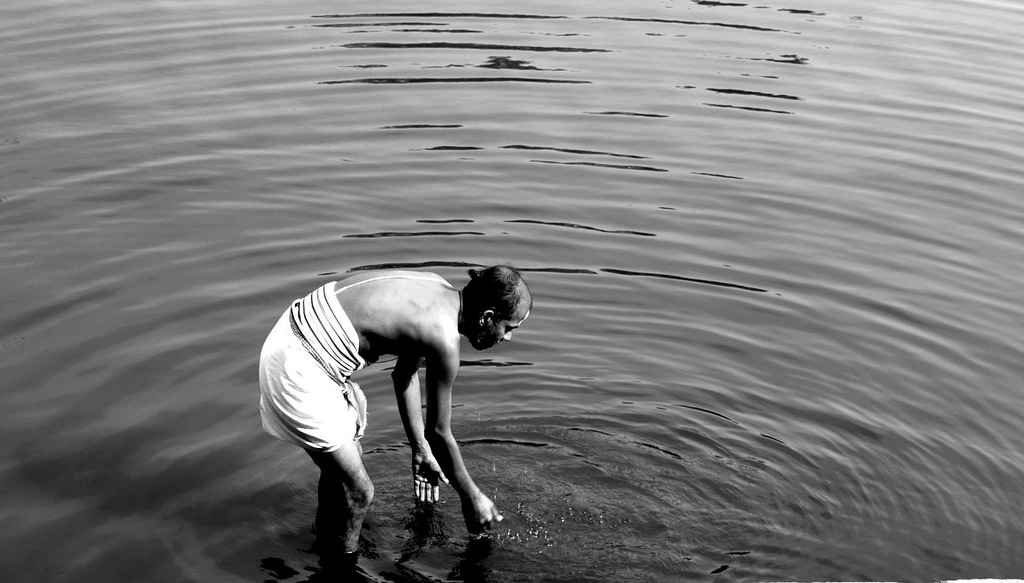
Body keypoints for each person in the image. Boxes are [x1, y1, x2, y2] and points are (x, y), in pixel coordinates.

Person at [258, 265, 532, 568]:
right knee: (359, 491)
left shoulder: (437, 290)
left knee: (343, 469)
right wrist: (472, 497)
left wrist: (419, 448)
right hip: (299, 362)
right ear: (488, 318)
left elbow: (404, 375)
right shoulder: (443, 338)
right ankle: (340, 573)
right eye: (509, 328)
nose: (506, 338)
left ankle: (324, 544)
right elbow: (440, 433)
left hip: (293, 333)